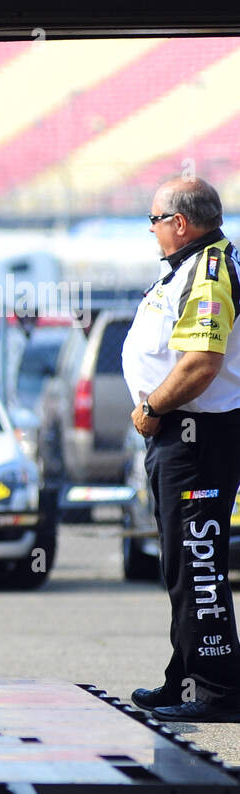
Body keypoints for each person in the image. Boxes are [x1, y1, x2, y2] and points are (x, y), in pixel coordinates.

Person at [124, 176, 240, 722]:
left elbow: (201, 362)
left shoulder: (209, 271)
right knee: (180, 563)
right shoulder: (191, 266)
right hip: (183, 434)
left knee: (196, 561)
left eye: (153, 219)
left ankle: (214, 688)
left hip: (197, 434)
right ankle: (186, 676)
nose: (150, 229)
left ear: (179, 223)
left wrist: (153, 409)